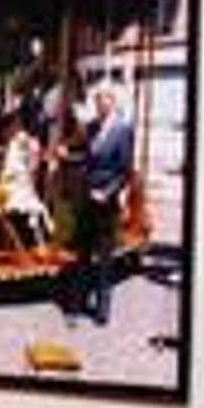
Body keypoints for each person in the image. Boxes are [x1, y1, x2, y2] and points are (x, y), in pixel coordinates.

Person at [74, 80, 135, 325]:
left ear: (113, 103)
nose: (101, 104)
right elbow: (87, 158)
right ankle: (77, 305)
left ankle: (102, 309)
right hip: (87, 198)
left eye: (105, 99)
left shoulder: (123, 131)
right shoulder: (90, 128)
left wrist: (108, 192)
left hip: (106, 202)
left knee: (105, 257)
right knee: (83, 255)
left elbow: (125, 171)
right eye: (98, 100)